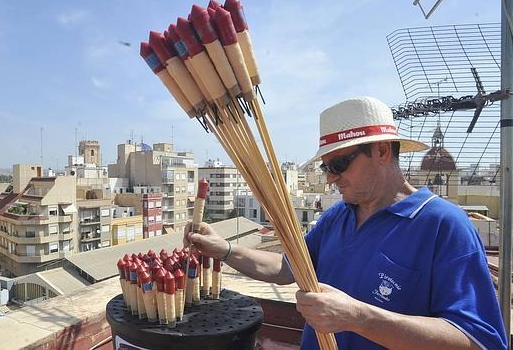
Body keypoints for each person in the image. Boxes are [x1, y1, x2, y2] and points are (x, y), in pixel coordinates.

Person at [184, 97, 507, 349]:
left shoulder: (443, 225)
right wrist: (224, 249)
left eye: (339, 163)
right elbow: (286, 269)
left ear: (381, 151)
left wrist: (360, 318)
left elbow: (477, 340)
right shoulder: (340, 214)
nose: (332, 178)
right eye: (326, 168)